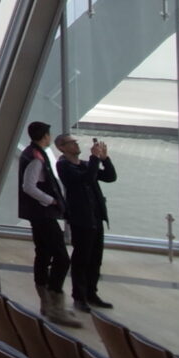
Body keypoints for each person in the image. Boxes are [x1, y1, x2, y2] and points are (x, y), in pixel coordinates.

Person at [16, 119, 82, 326]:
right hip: (43, 214)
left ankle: (48, 304)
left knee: (43, 254)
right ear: (45, 136)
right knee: (61, 258)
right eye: (49, 135)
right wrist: (51, 200)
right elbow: (29, 186)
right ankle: (55, 305)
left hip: (39, 215)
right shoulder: (36, 158)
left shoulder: (32, 153)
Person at [56, 133, 118, 312]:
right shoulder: (63, 166)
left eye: (75, 142)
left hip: (95, 217)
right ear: (62, 147)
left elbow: (110, 177)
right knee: (81, 258)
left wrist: (104, 159)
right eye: (71, 142)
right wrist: (94, 158)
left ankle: (91, 292)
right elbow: (87, 179)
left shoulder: (84, 164)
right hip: (81, 219)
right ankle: (79, 296)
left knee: (95, 258)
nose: (76, 144)